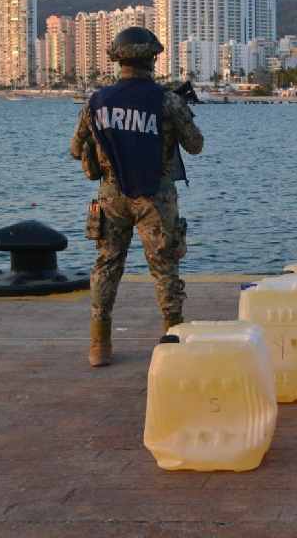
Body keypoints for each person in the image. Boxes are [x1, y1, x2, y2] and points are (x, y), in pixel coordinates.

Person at [69, 27, 204, 367]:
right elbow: (195, 145)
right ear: (152, 59)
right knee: (164, 267)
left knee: (107, 265)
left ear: (117, 59)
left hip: (111, 195)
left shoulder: (96, 102)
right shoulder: (167, 100)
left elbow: (74, 149)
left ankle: (99, 345)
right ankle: (173, 339)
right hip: (155, 196)